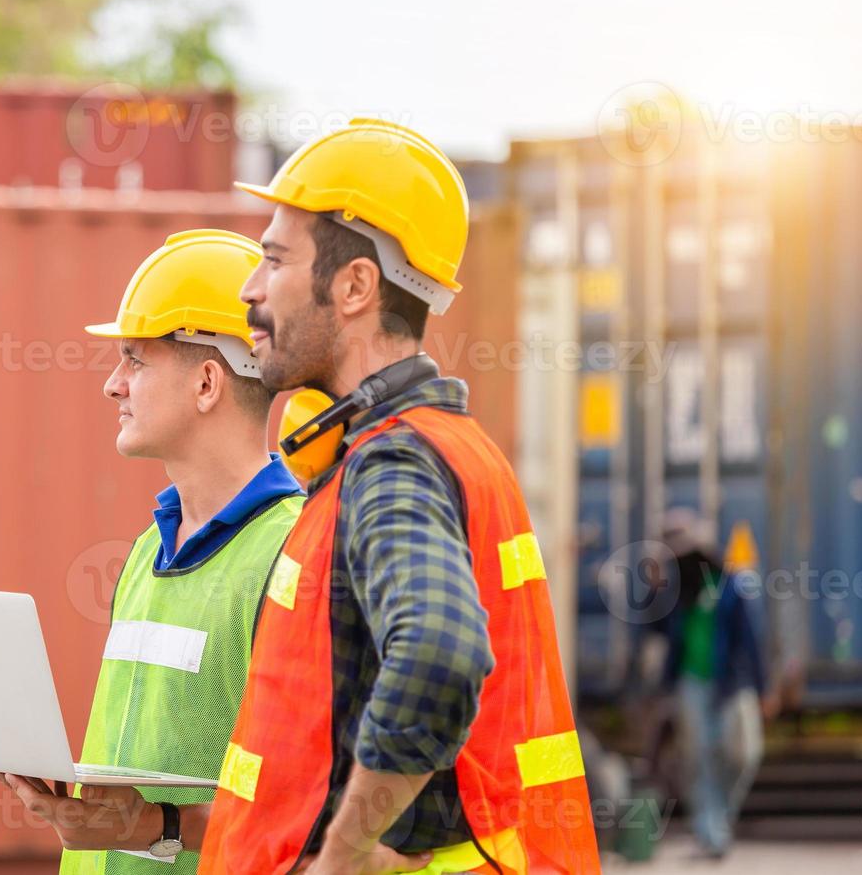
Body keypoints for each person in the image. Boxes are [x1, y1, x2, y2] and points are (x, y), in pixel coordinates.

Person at [200, 118, 602, 874]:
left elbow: (441, 652)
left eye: (275, 260)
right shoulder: (430, 448)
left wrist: (345, 852)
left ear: (355, 286)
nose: (250, 290)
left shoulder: (393, 464)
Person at [0, 229, 303, 873]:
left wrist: (148, 828)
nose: (113, 386)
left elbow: (307, 809)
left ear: (208, 383)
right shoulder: (146, 551)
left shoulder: (294, 554)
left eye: (135, 360)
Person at [657, 507, 773, 859]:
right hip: (692, 682)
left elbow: (751, 640)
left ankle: (720, 816)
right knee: (700, 758)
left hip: (731, 683)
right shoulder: (678, 591)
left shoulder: (732, 587)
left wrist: (762, 686)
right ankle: (711, 832)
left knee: (743, 753)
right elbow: (660, 635)